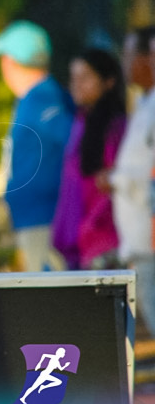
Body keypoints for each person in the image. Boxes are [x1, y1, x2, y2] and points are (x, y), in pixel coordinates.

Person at [0, 20, 74, 271]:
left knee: (50, 299)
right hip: (36, 218)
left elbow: (73, 145)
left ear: (10, 61)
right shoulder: (34, 98)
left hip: (45, 219)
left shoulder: (42, 98)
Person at [51, 49, 127, 269]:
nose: (76, 84)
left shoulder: (115, 128)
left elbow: (110, 187)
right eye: (73, 77)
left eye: (85, 77)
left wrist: (89, 229)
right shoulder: (80, 122)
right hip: (77, 246)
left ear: (109, 81)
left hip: (103, 245)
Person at [110, 26, 155, 329]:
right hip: (140, 236)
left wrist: (118, 180)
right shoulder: (144, 103)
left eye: (130, 54)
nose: (125, 63)